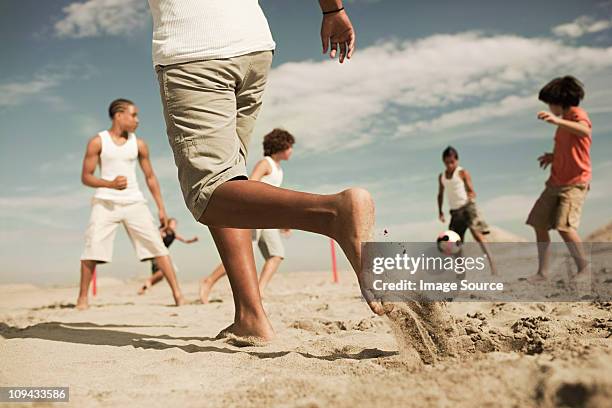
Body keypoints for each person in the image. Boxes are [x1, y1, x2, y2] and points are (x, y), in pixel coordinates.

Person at [148, 0, 381, 343]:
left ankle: (333, 213)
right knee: (231, 180)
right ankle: (250, 317)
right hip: (252, 45)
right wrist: (332, 10)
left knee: (209, 192)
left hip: (193, 45)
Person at [77, 98, 185, 309]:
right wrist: (109, 183)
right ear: (119, 115)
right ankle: (82, 298)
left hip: (135, 202)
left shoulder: (140, 144)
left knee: (158, 246)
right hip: (105, 202)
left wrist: (161, 208)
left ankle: (178, 295)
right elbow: (86, 177)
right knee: (92, 248)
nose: (137, 120)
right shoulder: (98, 142)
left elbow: (150, 177)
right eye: (133, 115)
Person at [199, 129, 294, 303]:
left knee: (277, 254)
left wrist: (282, 222)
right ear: (281, 145)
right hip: (254, 215)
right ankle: (209, 281)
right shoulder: (266, 163)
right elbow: (251, 185)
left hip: (267, 218)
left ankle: (259, 291)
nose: (292, 150)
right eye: (290, 146)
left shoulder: (279, 170)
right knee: (240, 255)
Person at [526, 76, 592, 282]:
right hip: (555, 182)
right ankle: (543, 273)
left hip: (574, 183)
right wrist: (552, 157)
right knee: (539, 222)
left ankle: (584, 269)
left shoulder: (576, 115)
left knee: (564, 226)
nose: (549, 108)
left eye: (549, 103)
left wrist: (557, 120)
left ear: (559, 101)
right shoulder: (563, 125)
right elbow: (569, 149)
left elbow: (585, 130)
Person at [437, 146, 497, 275]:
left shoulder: (462, 172)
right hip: (454, 212)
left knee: (478, 236)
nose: (450, 165)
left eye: (452, 162)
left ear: (457, 160)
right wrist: (440, 211)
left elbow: (471, 190)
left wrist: (471, 202)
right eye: (447, 162)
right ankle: (461, 273)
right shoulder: (441, 177)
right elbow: (440, 194)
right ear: (443, 161)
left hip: (467, 208)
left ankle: (493, 267)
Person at [138, 217, 198, 295]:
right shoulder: (163, 231)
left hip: (163, 254)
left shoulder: (174, 234)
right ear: (168, 224)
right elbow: (154, 239)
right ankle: (148, 281)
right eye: (173, 224)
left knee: (161, 276)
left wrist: (193, 240)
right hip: (157, 254)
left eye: (175, 224)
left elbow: (185, 241)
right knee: (164, 271)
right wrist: (161, 234)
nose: (174, 226)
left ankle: (143, 288)